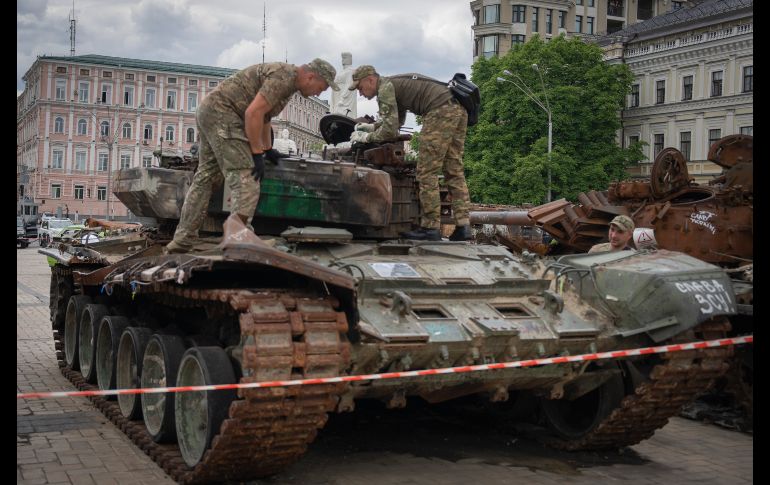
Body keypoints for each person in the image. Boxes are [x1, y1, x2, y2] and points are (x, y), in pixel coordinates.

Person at [165, 58, 339, 254]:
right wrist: (256, 153)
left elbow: (264, 115)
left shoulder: (289, 82)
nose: (319, 92)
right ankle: (240, 239)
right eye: (321, 87)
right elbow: (253, 113)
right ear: (311, 76)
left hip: (211, 112)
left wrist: (266, 148)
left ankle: (182, 241)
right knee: (247, 179)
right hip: (225, 115)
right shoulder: (284, 77)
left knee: (205, 178)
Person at [348, 66, 471, 241]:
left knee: (426, 171)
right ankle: (463, 226)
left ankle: (431, 228)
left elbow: (390, 131)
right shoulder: (394, 84)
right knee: (454, 169)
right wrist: (373, 126)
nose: (360, 93)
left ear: (370, 79)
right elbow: (397, 121)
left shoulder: (385, 89)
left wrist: (366, 137)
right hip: (457, 108)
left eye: (360, 88)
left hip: (439, 110)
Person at [330, 52, 357, 118]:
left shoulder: (351, 71)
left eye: (344, 58)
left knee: (341, 116)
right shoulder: (342, 71)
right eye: (342, 58)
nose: (343, 60)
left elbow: (349, 86)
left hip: (343, 100)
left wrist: (342, 99)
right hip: (336, 97)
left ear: (349, 59)